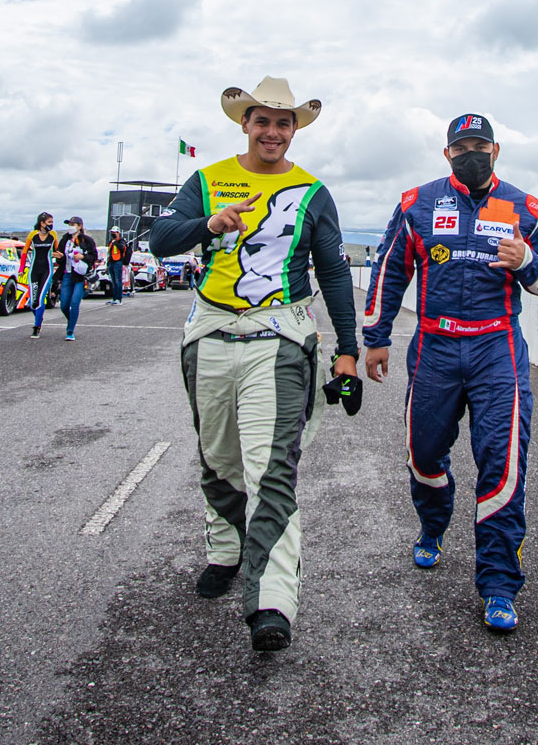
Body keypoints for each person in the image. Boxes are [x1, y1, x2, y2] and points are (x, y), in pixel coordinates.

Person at [149, 76, 360, 653]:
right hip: (212, 333)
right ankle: (225, 547)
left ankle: (271, 599)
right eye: (262, 121)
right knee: (218, 458)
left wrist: (348, 351)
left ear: (295, 130)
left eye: (283, 122)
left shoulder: (314, 191)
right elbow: (160, 239)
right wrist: (211, 224)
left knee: (269, 468)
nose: (272, 132)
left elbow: (335, 274)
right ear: (245, 124)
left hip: (281, 339)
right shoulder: (208, 180)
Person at [363, 113, 538, 633]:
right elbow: (389, 270)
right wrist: (376, 337)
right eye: (461, 147)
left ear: (495, 151)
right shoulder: (417, 203)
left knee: (503, 462)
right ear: (446, 153)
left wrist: (526, 262)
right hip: (434, 345)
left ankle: (498, 583)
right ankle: (433, 524)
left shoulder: (527, 208)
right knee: (424, 454)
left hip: (498, 347)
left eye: (480, 145)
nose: (470, 153)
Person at [57, 217, 98, 341]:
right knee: (64, 304)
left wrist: (83, 257)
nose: (70, 226)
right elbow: (60, 257)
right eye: (69, 224)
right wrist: (59, 256)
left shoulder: (87, 240)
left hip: (80, 276)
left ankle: (70, 331)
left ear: (79, 226)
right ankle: (72, 320)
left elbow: (93, 256)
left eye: (73, 224)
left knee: (75, 303)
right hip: (67, 274)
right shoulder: (65, 239)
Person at [19, 212, 58, 338]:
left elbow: (57, 250)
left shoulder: (53, 235)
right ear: (42, 223)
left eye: (52, 222)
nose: (51, 225)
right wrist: (21, 268)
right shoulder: (33, 235)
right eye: (49, 222)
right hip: (34, 270)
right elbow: (24, 252)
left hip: (47, 269)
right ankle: (39, 317)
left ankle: (36, 327)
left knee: (41, 299)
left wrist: (59, 258)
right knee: (32, 302)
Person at [105, 229, 129, 306]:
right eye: (112, 233)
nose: (113, 234)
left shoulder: (121, 241)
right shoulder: (110, 242)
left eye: (114, 233)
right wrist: (107, 264)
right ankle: (114, 298)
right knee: (113, 281)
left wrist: (116, 242)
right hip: (111, 262)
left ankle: (119, 299)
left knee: (118, 281)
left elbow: (122, 248)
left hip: (118, 262)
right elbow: (109, 253)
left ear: (118, 233)